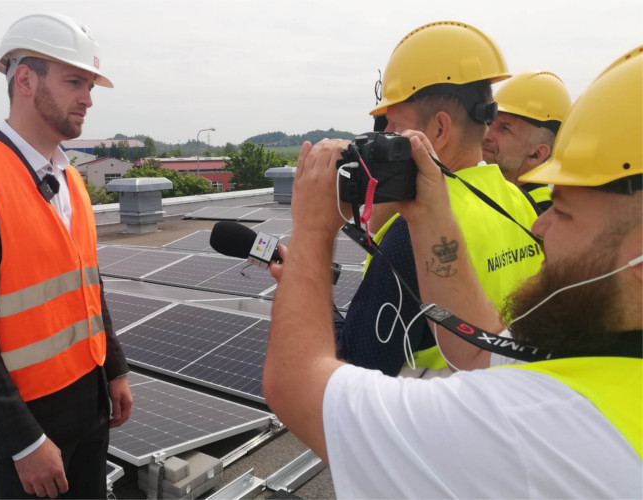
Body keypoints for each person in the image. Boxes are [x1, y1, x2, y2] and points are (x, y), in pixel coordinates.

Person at [264, 45, 642, 498]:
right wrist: (428, 214)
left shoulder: (531, 430)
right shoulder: (609, 353)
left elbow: (297, 384)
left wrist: (312, 228)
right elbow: (481, 352)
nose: (540, 225)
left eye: (563, 211)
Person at [0, 13, 132, 499]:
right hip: (29, 421)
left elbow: (86, 283)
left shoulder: (71, 177)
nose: (86, 97)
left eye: (90, 85)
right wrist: (22, 441)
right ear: (25, 80)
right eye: (74, 82)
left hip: (88, 403)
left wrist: (115, 368)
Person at [336, 21, 543, 375]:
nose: (383, 138)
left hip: (424, 426)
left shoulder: (414, 234)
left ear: (439, 130)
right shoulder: (518, 201)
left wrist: (309, 288)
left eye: (393, 127)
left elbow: (355, 368)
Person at [483, 71, 571, 210]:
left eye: (504, 128)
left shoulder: (542, 219)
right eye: (488, 123)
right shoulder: (487, 195)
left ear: (537, 153)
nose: (487, 134)